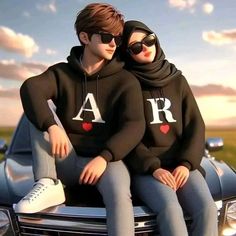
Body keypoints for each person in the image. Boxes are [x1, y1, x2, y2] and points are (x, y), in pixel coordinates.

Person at [14, 5, 145, 236]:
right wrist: (52, 126)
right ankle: (47, 182)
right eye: (106, 37)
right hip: (67, 160)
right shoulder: (62, 73)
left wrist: (105, 157)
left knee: (119, 194)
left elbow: (135, 126)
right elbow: (30, 87)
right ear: (85, 37)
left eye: (117, 38)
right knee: (40, 108)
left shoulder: (126, 80)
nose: (114, 44)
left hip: (106, 163)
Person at [120, 20, 218, 236]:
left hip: (182, 166)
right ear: (127, 53)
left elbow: (195, 124)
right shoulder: (127, 84)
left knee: (208, 209)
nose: (145, 47)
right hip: (147, 169)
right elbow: (128, 135)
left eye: (149, 40)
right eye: (136, 47)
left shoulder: (177, 79)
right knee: (171, 209)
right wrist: (154, 167)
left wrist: (185, 164)